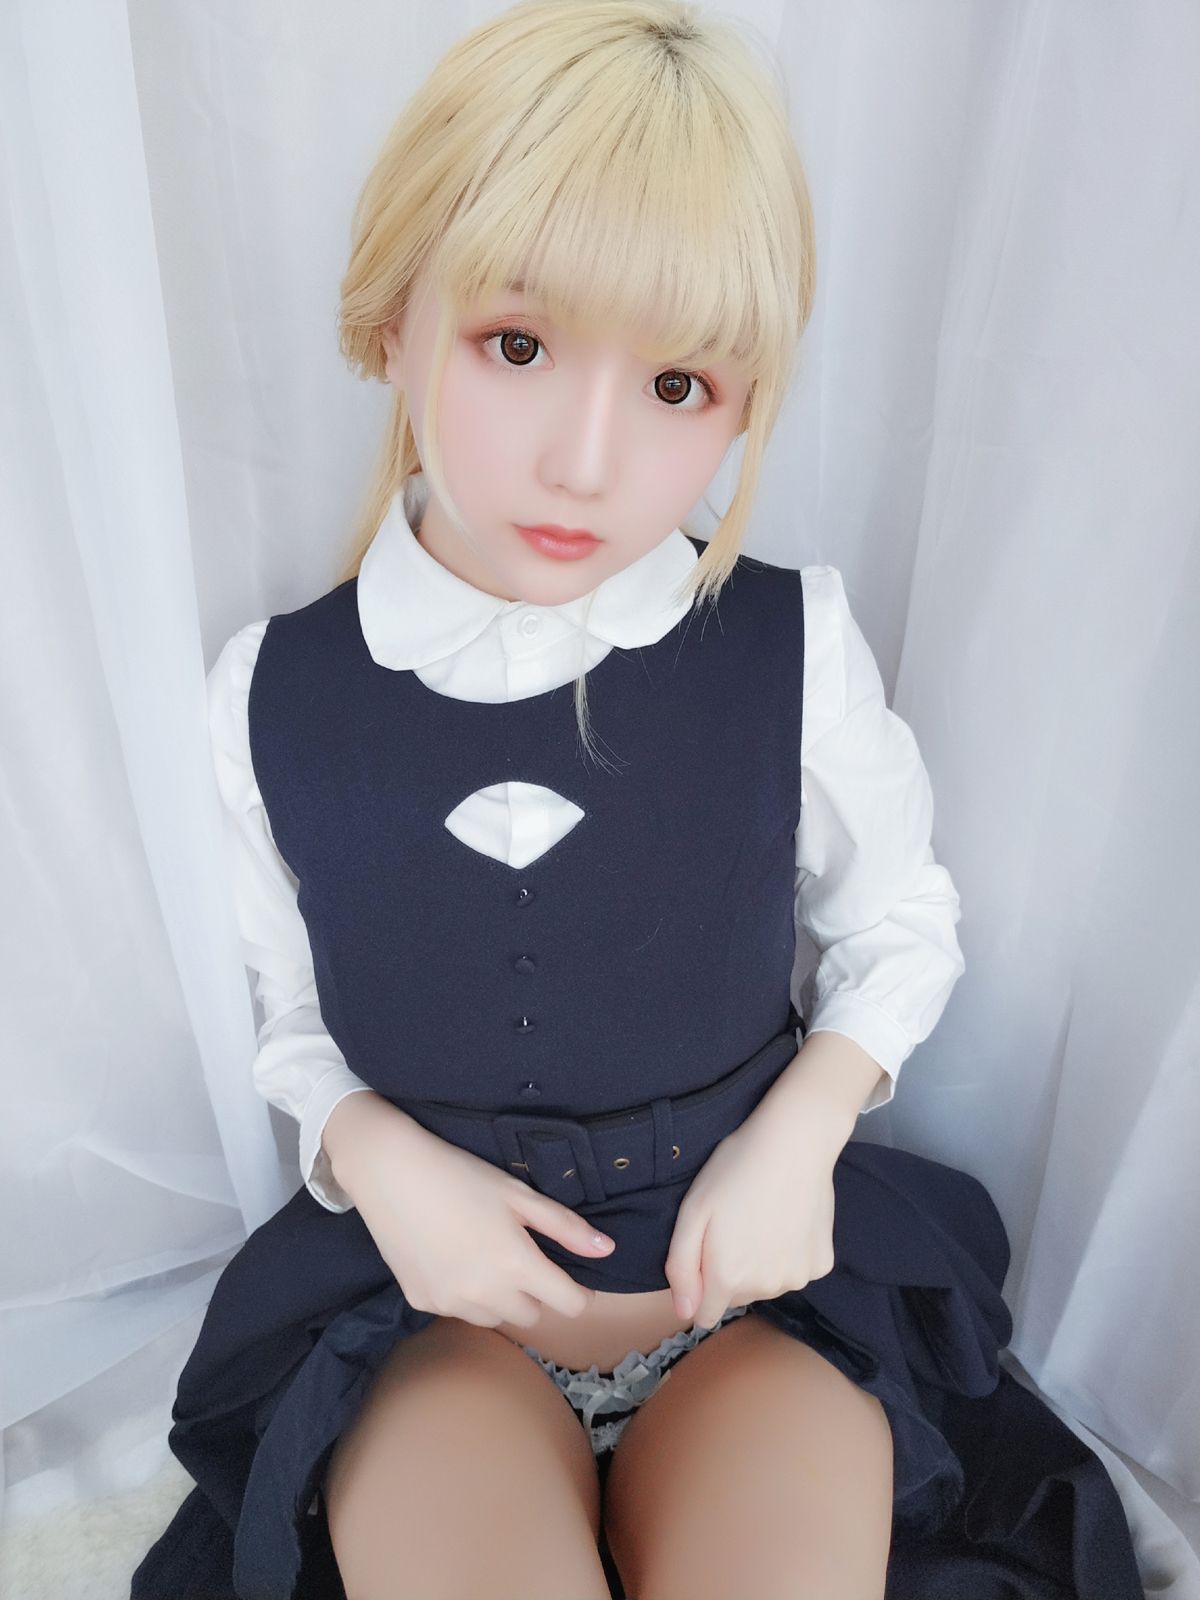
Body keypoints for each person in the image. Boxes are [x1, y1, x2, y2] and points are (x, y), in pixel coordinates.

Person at [131, 3, 1143, 1597]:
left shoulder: (791, 645)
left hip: (756, 1316)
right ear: (391, 319)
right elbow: (287, 1010)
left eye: (679, 383)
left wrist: (801, 1133)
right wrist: (375, 1154)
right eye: (519, 348)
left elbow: (902, 921)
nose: (587, 462)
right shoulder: (268, 693)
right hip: (436, 1330)